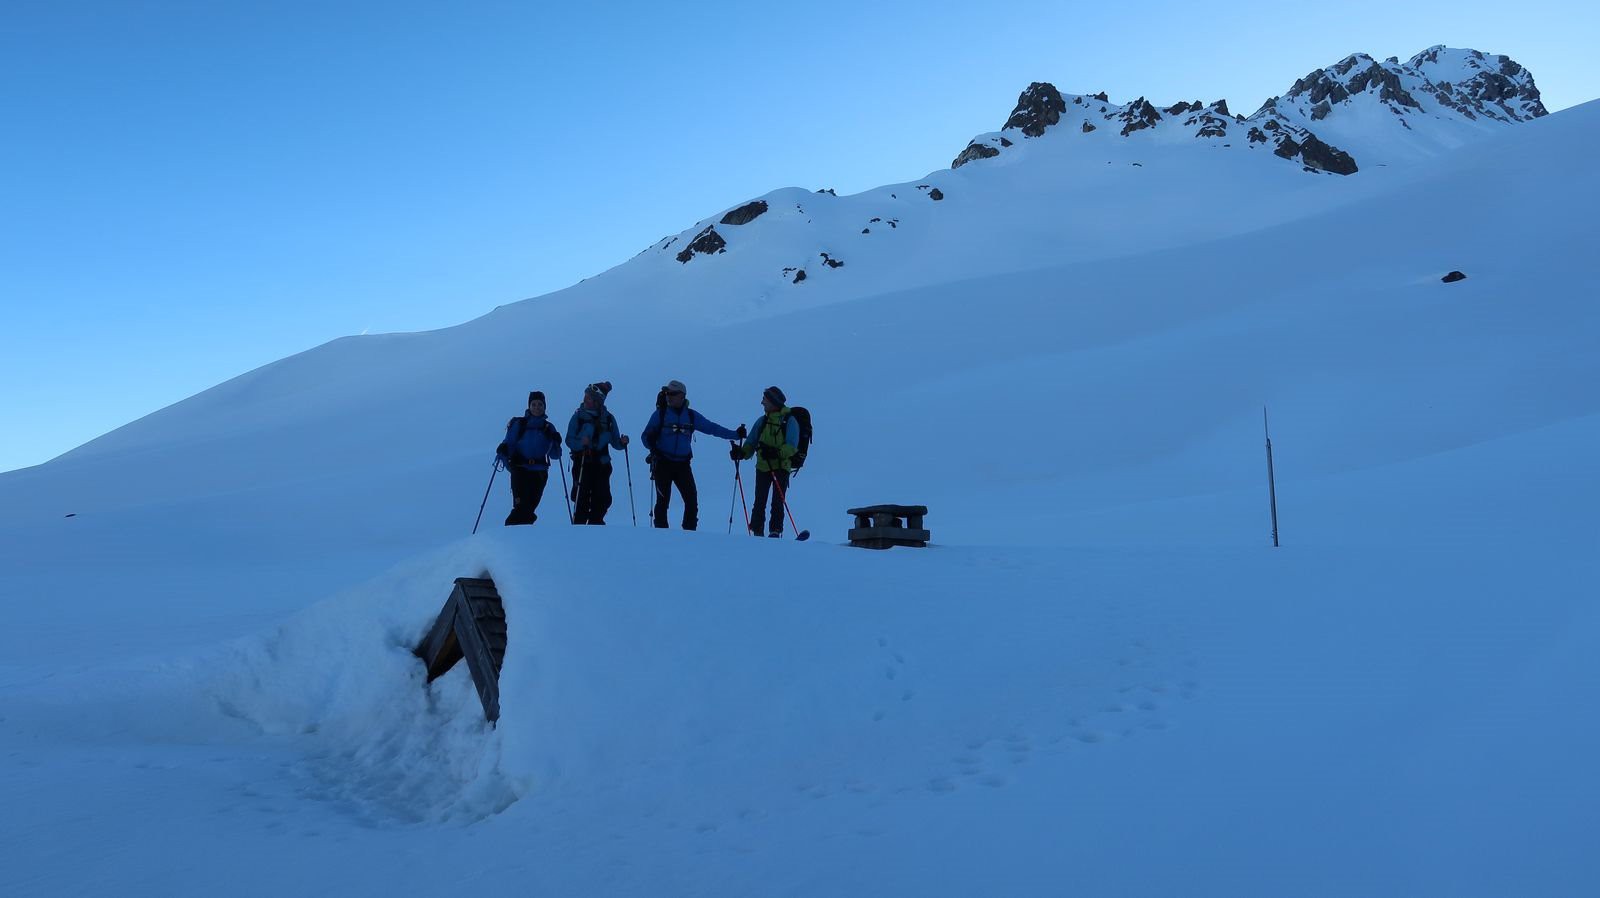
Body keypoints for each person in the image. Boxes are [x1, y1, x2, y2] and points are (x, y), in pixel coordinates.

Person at [641, 379, 745, 530]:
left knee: (691, 500)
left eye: (672, 393)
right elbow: (644, 437)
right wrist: (651, 446)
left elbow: (712, 428)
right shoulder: (660, 414)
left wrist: (735, 435)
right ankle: (661, 534)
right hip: (662, 463)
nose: (668, 396)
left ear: (682, 396)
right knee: (663, 501)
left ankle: (689, 533)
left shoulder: (690, 416)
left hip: (682, 465)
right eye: (667, 393)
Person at [732, 385, 800, 537]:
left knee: (777, 501)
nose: (762, 403)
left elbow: (792, 446)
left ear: (773, 402)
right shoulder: (762, 421)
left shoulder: (789, 420)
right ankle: (758, 531)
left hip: (781, 466)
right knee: (760, 501)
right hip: (763, 466)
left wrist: (776, 453)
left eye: (765, 400)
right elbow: (751, 442)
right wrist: (741, 453)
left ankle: (774, 532)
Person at [565, 381, 629, 525]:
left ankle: (596, 523)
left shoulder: (608, 419)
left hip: (602, 464)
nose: (585, 400)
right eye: (585, 396)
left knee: (603, 498)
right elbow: (569, 440)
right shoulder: (578, 417)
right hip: (582, 462)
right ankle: (580, 527)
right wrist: (581, 443)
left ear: (597, 401)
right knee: (581, 497)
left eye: (588, 397)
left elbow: (615, 442)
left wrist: (623, 443)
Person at [495, 391, 562, 525]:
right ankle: (516, 532)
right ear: (529, 406)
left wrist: (556, 442)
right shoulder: (519, 424)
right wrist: (503, 451)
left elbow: (555, 455)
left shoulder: (548, 427)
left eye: (540, 404)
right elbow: (509, 443)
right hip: (520, 470)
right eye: (534, 404)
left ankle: (518, 534)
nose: (537, 407)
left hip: (539, 472)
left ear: (545, 407)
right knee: (521, 507)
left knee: (530, 507)